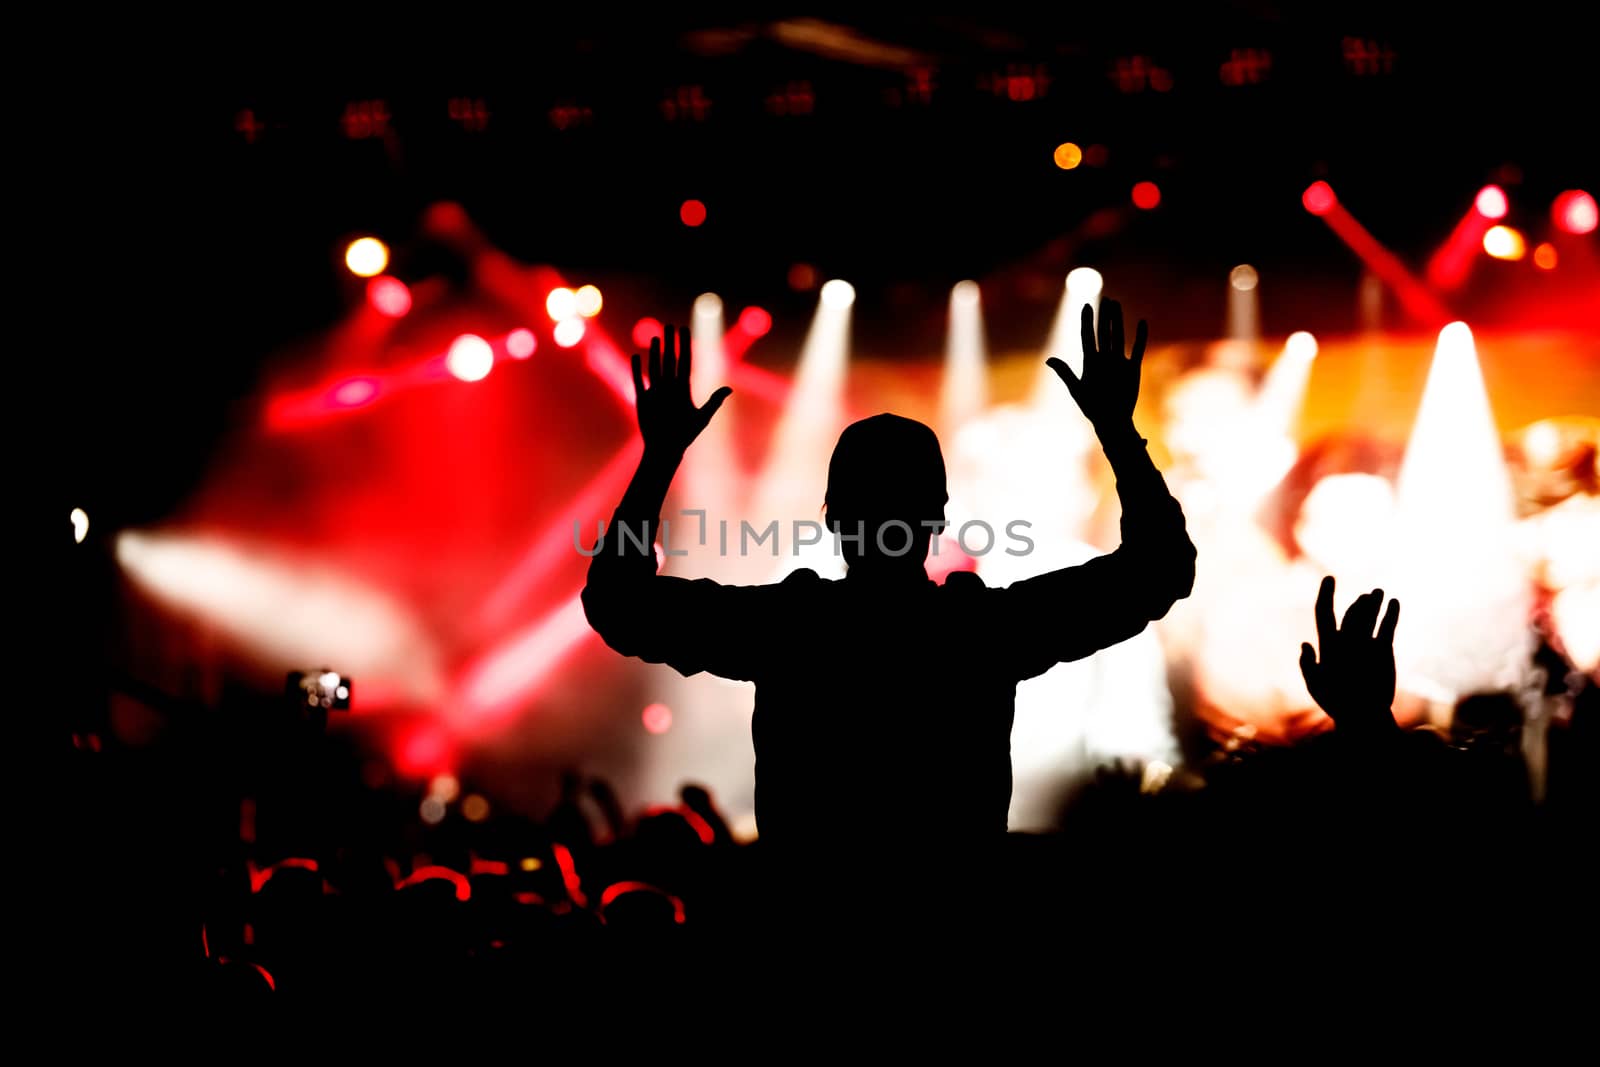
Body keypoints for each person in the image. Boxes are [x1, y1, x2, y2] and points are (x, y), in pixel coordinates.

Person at [582, 302, 1196, 882]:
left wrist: (660, 456)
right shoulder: (980, 631)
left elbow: (617, 601)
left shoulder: (787, 628)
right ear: (938, 518)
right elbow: (1161, 569)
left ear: (831, 517)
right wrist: (1117, 431)